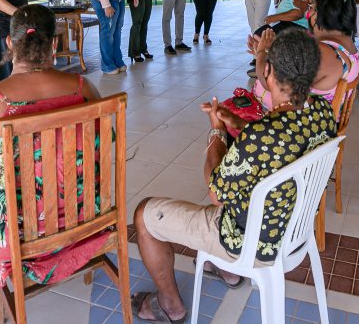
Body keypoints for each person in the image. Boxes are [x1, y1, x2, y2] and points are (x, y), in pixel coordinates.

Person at [131, 31, 335, 323]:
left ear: (268, 71)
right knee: (237, 190)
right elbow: (280, 138)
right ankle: (225, 269)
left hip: (250, 242)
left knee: (144, 215)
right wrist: (239, 123)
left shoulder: (260, 136)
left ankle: (170, 305)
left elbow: (216, 193)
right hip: (293, 229)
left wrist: (217, 131)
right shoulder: (323, 111)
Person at [0, 5, 109, 290]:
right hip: (86, 223)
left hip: (16, 238)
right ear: (54, 43)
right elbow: (100, 152)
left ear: (10, 43)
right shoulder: (85, 89)